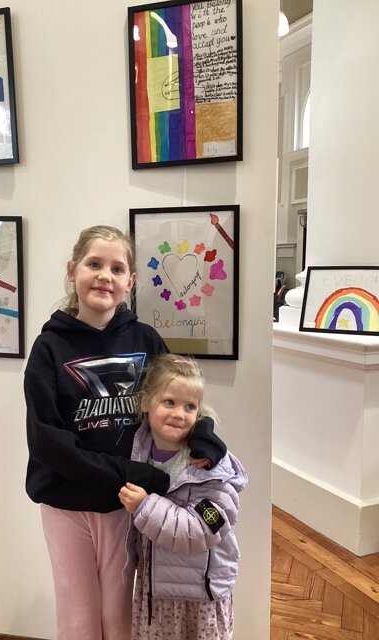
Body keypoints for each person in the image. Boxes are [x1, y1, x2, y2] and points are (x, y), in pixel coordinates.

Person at [24, 225, 227, 640]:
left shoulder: (144, 338)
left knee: (120, 615)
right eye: (94, 264)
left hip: (126, 505)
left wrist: (204, 431)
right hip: (66, 504)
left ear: (130, 282)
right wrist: (131, 473)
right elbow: (47, 442)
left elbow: (180, 393)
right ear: (72, 270)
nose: (105, 276)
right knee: (77, 616)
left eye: (117, 269)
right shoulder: (48, 348)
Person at [119, 354, 248, 640]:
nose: (179, 414)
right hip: (155, 593)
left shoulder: (210, 466)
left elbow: (202, 529)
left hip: (200, 595)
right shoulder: (139, 451)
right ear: (145, 402)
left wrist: (144, 506)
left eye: (190, 406)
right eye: (169, 402)